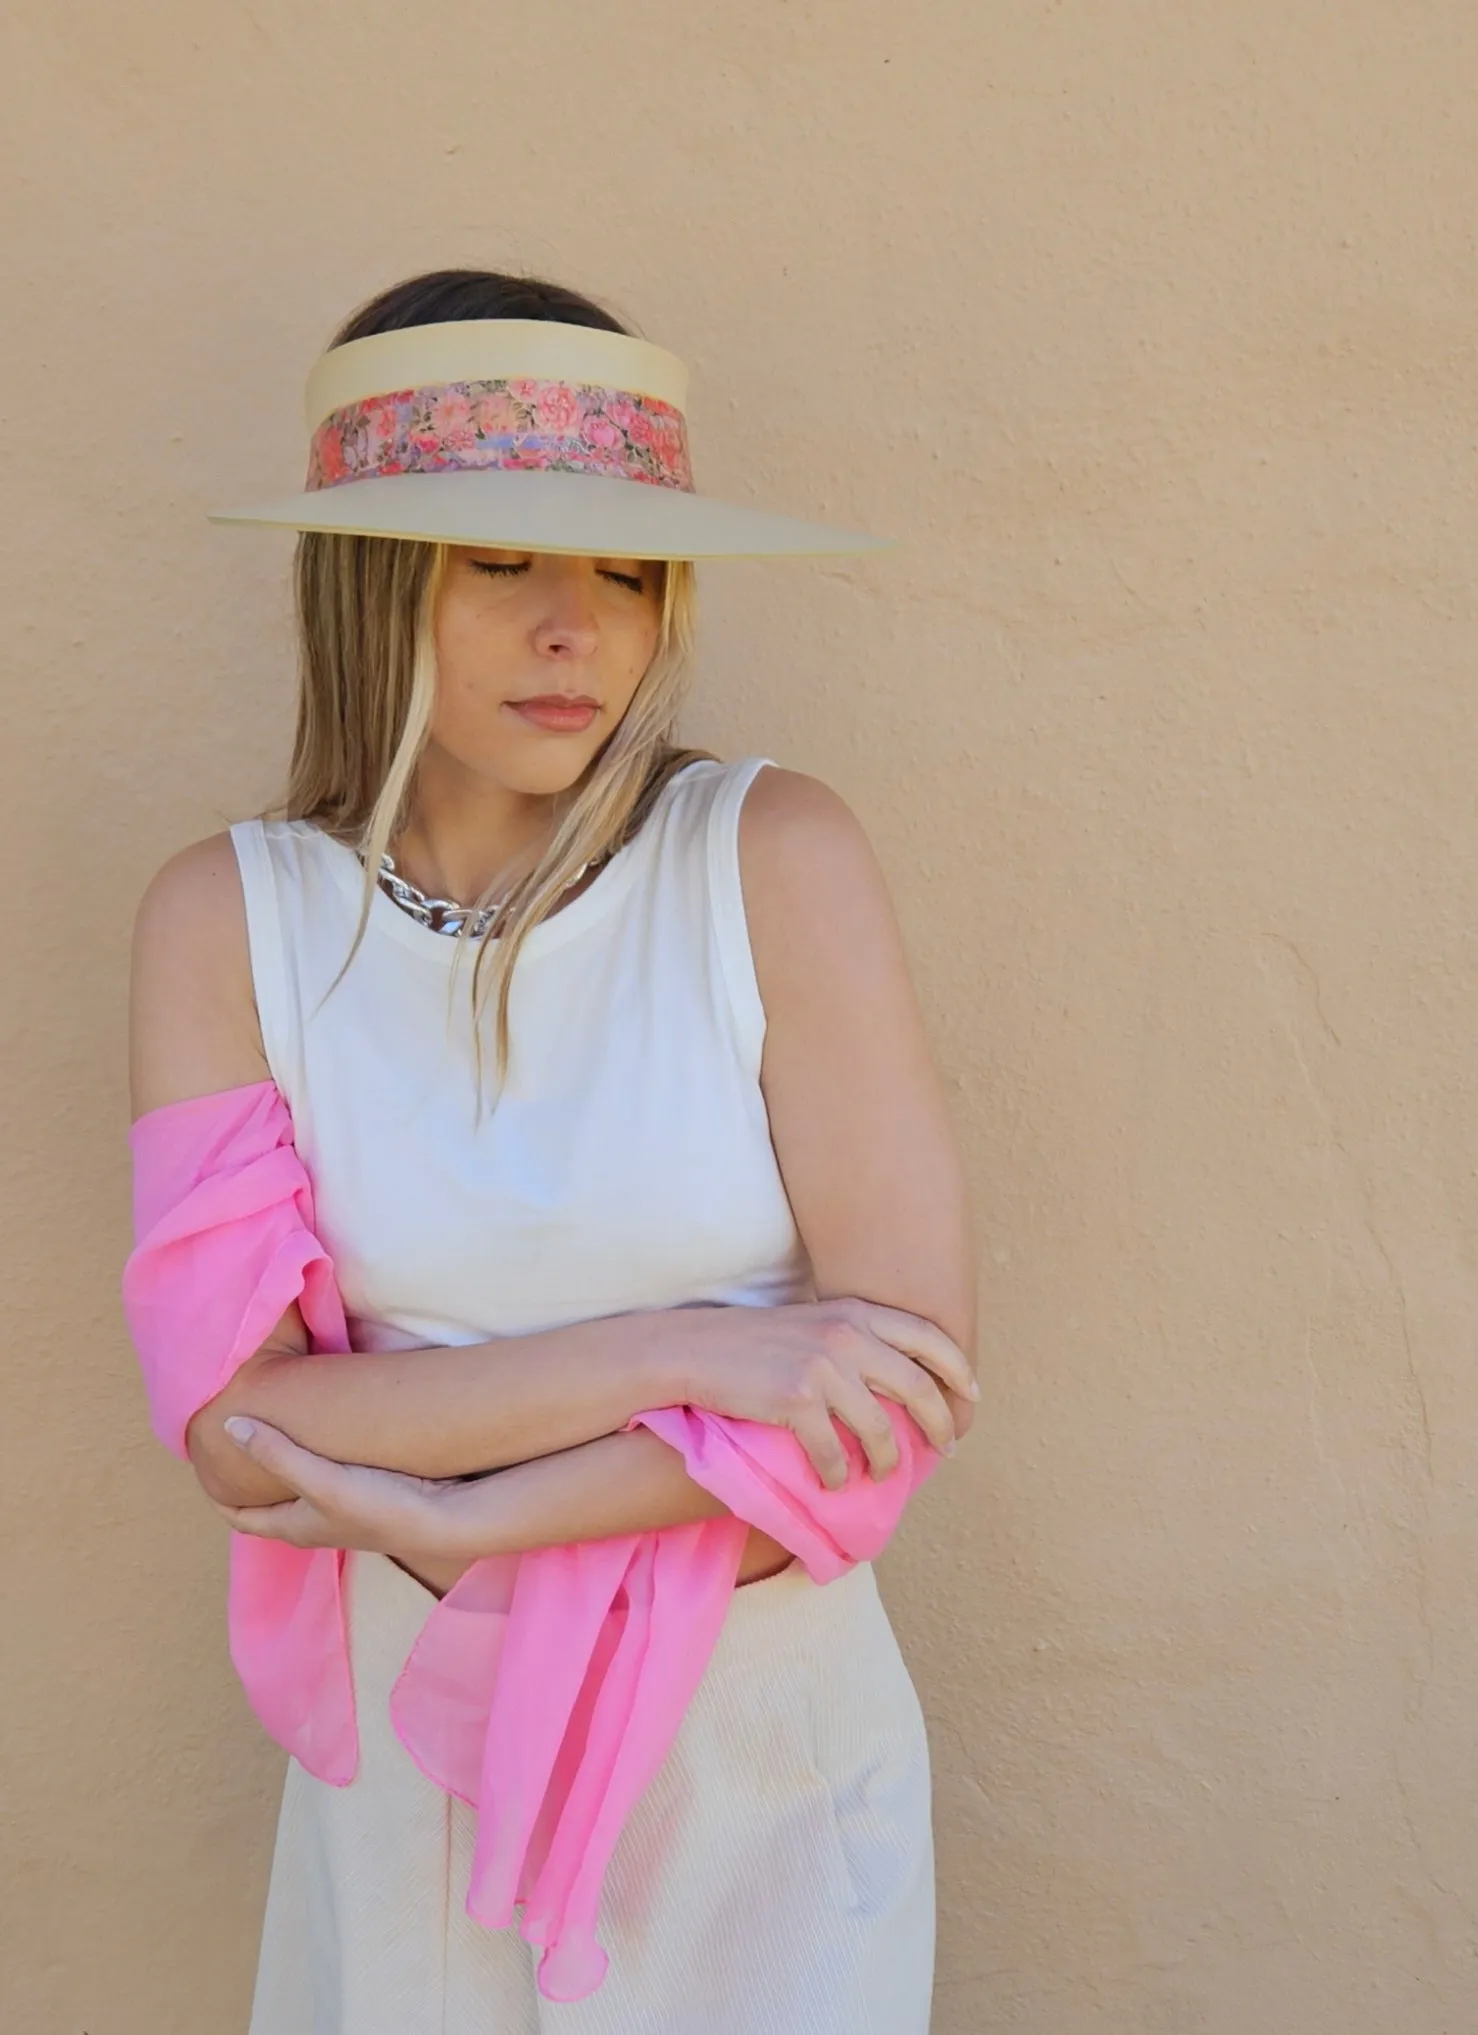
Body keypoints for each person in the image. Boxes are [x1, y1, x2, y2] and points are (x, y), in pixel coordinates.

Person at [125, 267, 978, 2034]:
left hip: (758, 1759)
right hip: (406, 1766)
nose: (576, 626)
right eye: (500, 560)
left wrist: (451, 1497)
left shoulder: (770, 860)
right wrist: (692, 1354)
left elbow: (892, 1384)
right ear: (370, 581)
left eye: (626, 570)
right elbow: (237, 1425)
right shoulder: (235, 922)